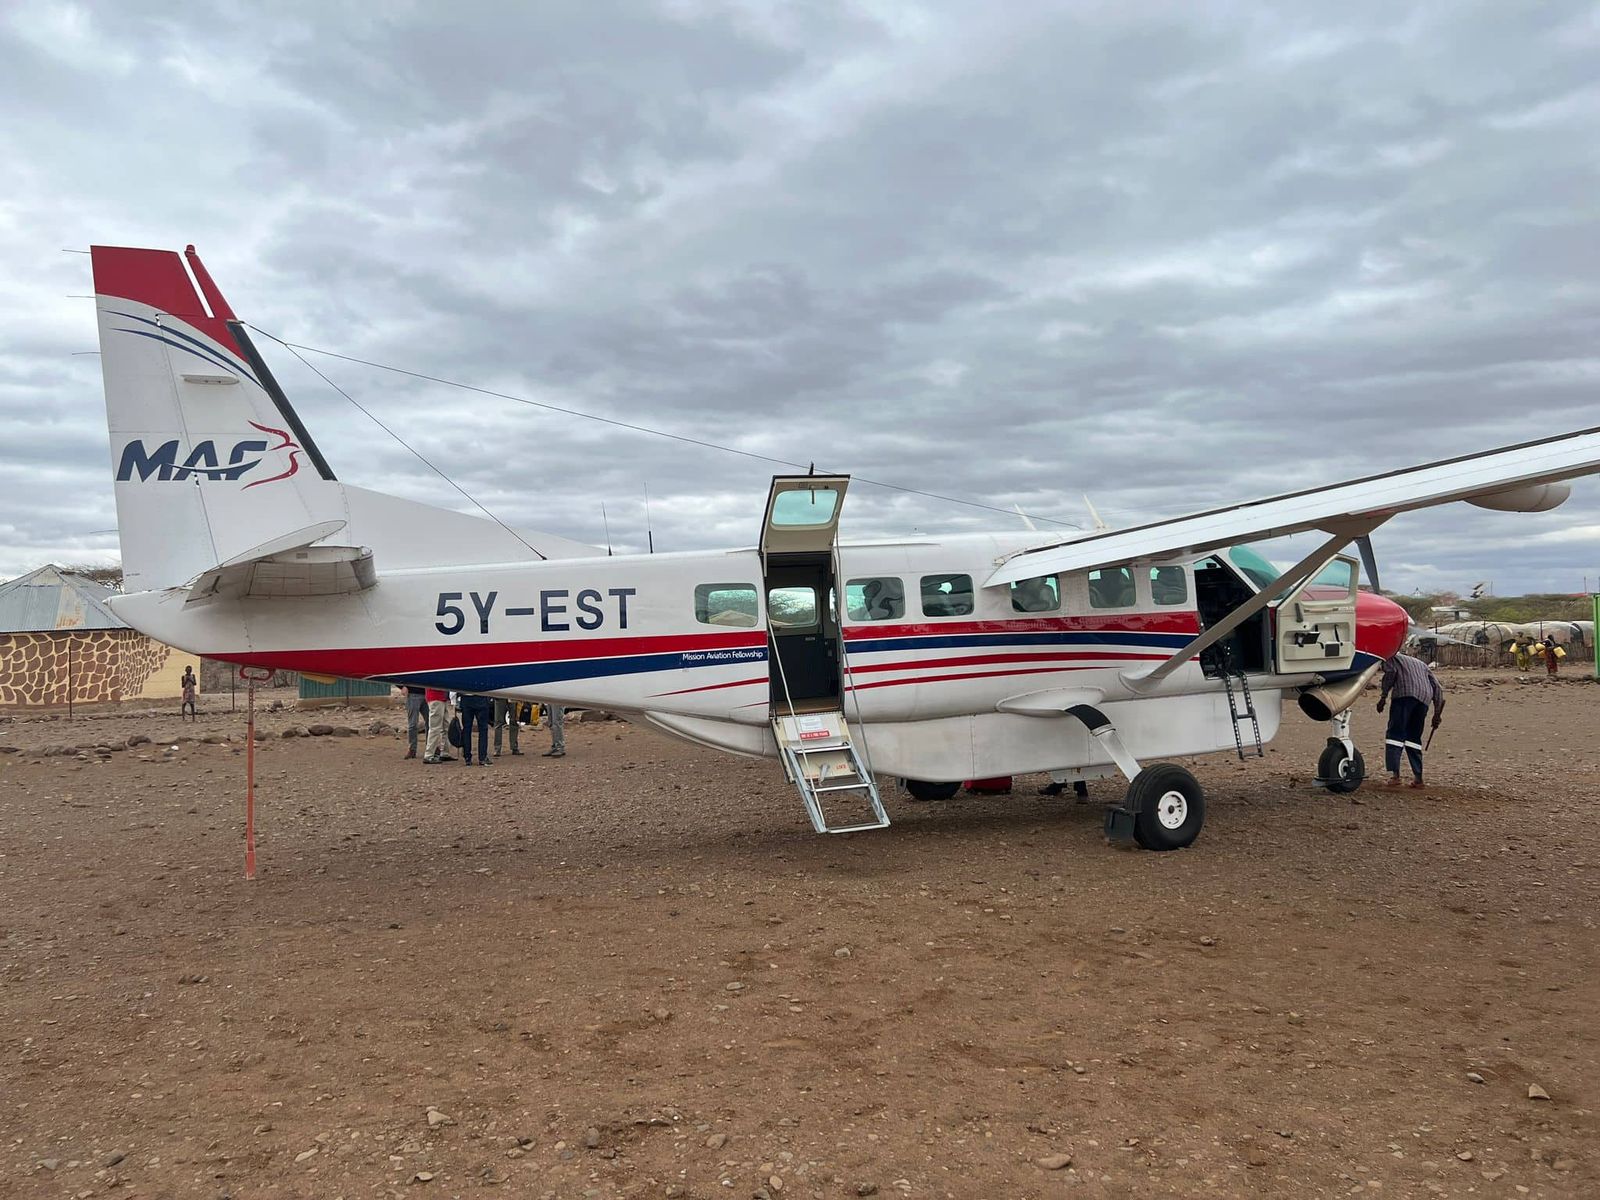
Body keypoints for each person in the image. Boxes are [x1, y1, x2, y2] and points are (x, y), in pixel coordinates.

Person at [1376, 652, 1445, 789]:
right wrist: (1437, 713)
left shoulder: (1390, 657)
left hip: (1404, 696)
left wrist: (1383, 696)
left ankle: (1395, 776)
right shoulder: (1421, 664)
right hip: (1424, 700)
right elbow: (1437, 687)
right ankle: (1418, 779)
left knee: (1395, 735)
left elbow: (1390, 673)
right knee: (1414, 738)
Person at [458, 692, 493, 765]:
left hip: (466, 698)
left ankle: (467, 757)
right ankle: (482, 757)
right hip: (481, 697)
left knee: (467, 729)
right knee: (483, 729)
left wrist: (454, 701)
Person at [423, 686, 452, 764]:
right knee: (435, 727)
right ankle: (429, 755)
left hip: (441, 697)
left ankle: (445, 752)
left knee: (445, 726)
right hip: (436, 697)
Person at [404, 685, 427, 759]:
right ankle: (412, 749)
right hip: (413, 694)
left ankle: (431, 747)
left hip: (428, 694)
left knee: (431, 723)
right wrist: (401, 686)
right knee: (413, 724)